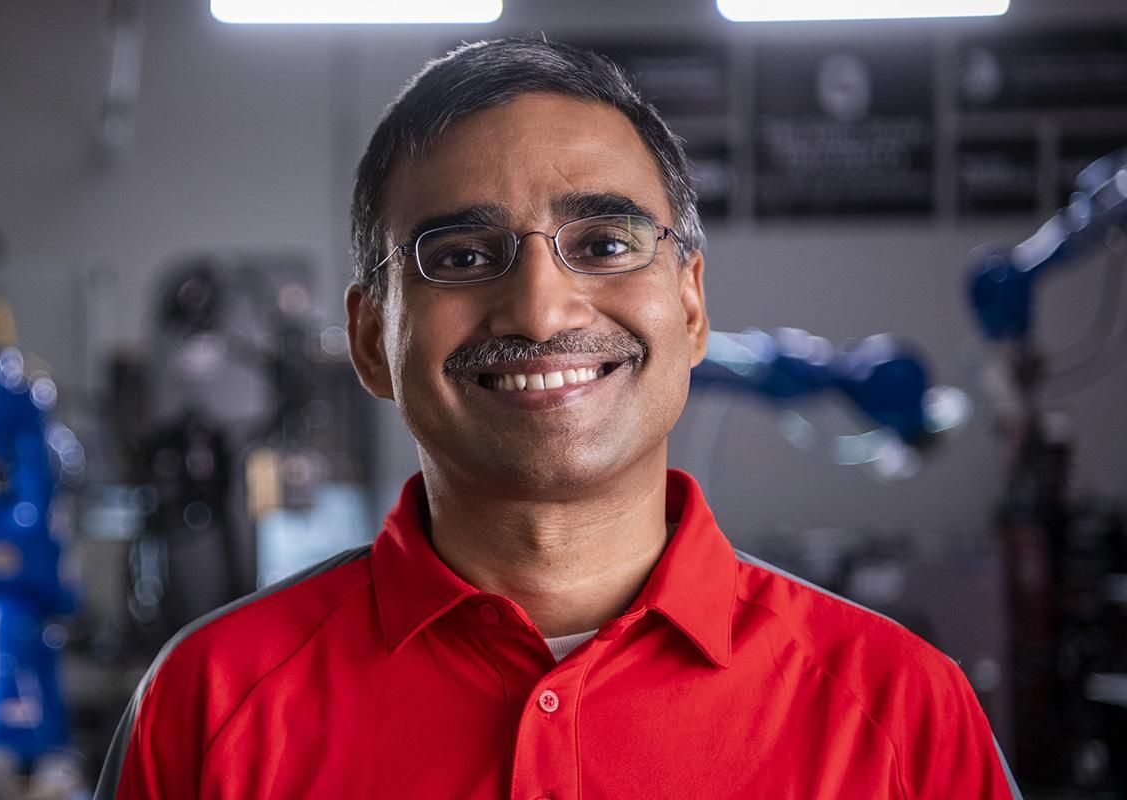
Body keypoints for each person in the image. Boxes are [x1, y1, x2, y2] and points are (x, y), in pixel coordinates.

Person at [95, 38, 1022, 799]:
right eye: (460, 256)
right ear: (372, 338)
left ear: (691, 309)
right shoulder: (205, 709)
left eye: (605, 244)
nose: (542, 311)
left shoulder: (903, 716)